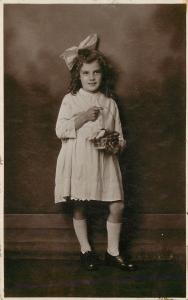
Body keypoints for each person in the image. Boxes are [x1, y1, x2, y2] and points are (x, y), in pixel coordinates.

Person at [55, 33, 135, 271]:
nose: (91, 77)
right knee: (80, 205)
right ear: (78, 76)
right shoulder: (71, 99)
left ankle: (113, 252)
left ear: (103, 74)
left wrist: (116, 143)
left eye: (96, 72)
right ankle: (86, 250)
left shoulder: (110, 102)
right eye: (86, 73)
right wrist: (82, 118)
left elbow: (119, 135)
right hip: (80, 160)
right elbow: (60, 130)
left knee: (117, 205)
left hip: (105, 160)